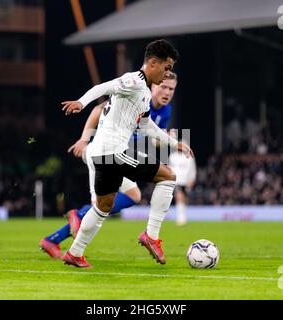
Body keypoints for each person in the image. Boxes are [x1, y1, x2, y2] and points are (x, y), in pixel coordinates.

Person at [60, 39, 193, 268]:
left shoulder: (142, 94)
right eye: (167, 67)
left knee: (103, 207)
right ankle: (151, 236)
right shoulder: (134, 81)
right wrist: (81, 103)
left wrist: (173, 143)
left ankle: (74, 253)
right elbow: (103, 88)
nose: (167, 73)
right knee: (169, 177)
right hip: (113, 152)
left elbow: (146, 126)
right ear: (152, 63)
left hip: (102, 155)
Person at [39, 72, 179, 259]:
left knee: (133, 195)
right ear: (153, 86)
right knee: (99, 207)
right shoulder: (136, 95)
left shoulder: (165, 110)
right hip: (102, 153)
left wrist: (168, 140)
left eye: (171, 89)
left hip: (120, 156)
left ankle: (53, 239)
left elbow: (151, 137)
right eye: (164, 86)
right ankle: (74, 243)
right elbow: (98, 110)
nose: (167, 92)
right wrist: (83, 139)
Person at [168, 137, 197, 226]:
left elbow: (193, 170)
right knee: (179, 197)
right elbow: (169, 168)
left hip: (186, 181)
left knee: (184, 199)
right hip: (177, 181)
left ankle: (183, 216)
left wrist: (192, 179)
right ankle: (180, 218)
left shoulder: (189, 157)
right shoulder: (172, 157)